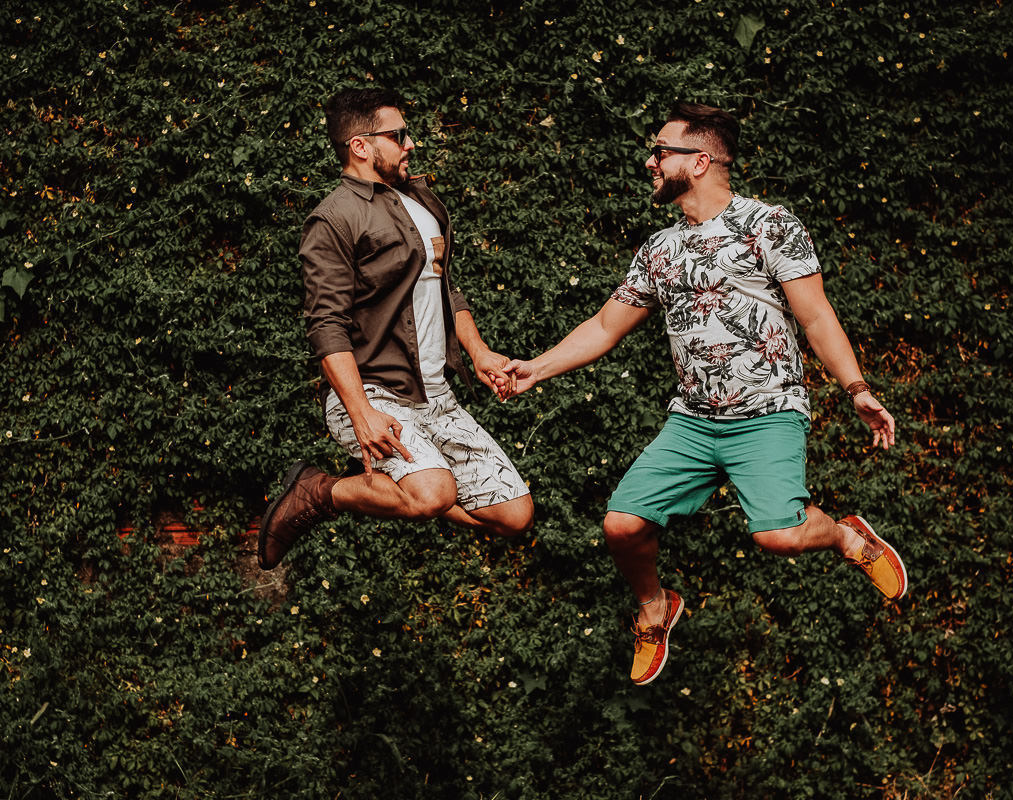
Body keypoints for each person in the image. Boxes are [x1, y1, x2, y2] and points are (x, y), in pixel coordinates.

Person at [500, 102, 906, 686]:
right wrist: (536, 369)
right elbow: (604, 326)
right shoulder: (660, 249)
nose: (650, 162)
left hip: (767, 413)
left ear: (700, 161)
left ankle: (846, 535)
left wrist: (857, 387)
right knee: (621, 526)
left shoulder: (770, 226)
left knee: (778, 534)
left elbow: (815, 316)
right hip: (693, 421)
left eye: (661, 152)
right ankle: (655, 609)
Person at [258, 88, 534, 571]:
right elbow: (326, 324)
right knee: (432, 492)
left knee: (515, 515)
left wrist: (479, 351)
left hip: (436, 395)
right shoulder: (334, 218)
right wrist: (360, 411)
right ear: (360, 146)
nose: (410, 144)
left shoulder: (419, 200)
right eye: (398, 135)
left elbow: (446, 288)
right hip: (373, 393)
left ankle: (391, 484)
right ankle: (320, 491)